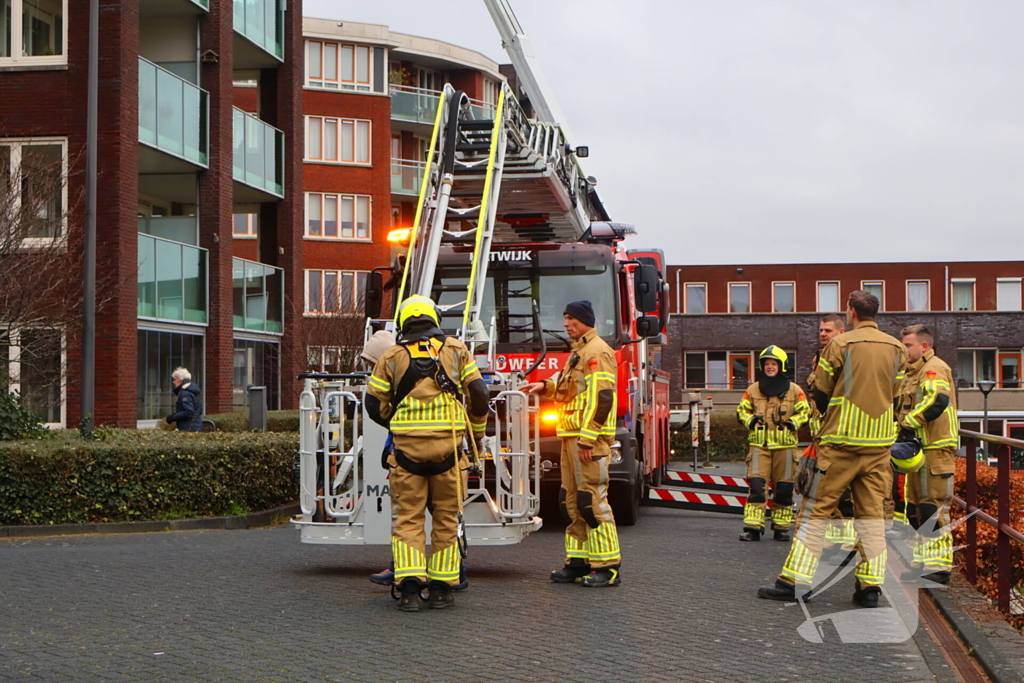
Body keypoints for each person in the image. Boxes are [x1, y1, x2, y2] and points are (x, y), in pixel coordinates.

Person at [758, 290, 906, 608]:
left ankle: (796, 582)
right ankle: (869, 589)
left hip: (840, 445)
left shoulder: (840, 344)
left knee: (815, 513)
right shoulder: (897, 348)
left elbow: (821, 395)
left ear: (851, 312)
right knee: (872, 518)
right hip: (879, 447)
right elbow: (898, 397)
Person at [365, 296, 489, 612]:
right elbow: (479, 393)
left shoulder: (391, 356)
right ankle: (440, 590)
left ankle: (408, 589)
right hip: (449, 454)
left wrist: (397, 422)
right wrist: (476, 433)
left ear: (404, 322)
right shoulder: (457, 350)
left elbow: (372, 405)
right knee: (447, 518)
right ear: (434, 318)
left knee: (408, 519)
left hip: (407, 456)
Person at [523, 300, 622, 588]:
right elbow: (570, 389)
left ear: (585, 320)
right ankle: (577, 563)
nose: (565, 324)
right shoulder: (578, 351)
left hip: (586, 441)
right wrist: (544, 387)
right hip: (571, 438)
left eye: (570, 319)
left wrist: (588, 438)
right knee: (570, 503)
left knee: (591, 502)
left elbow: (602, 399)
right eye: (565, 318)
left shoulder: (598, 352)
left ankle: (607, 567)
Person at [896, 324, 958, 585]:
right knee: (917, 510)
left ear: (924, 345)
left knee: (933, 507)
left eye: (908, 345)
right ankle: (924, 562)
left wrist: (908, 422)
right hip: (919, 450)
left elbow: (937, 401)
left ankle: (939, 567)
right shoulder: (912, 373)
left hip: (935, 448)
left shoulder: (934, 368)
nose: (904, 349)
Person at [737, 346, 810, 542]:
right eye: (767, 364)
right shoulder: (752, 390)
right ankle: (752, 527)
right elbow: (742, 411)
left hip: (785, 448)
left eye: (773, 364)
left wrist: (793, 423)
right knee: (757, 486)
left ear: (781, 366)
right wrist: (751, 420)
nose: (770, 367)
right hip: (760, 447)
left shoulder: (795, 390)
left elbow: (805, 412)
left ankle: (781, 527)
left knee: (784, 489)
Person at [810, 315, 857, 563]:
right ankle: (835, 542)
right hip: (825, 437)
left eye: (828, 330)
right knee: (829, 496)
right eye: (821, 330)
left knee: (842, 497)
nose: (823, 334)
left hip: (842, 436)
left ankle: (846, 545)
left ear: (841, 332)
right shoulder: (821, 358)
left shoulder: (847, 355)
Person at [166, 367, 203, 432]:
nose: (173, 382)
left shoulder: (185, 393)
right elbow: (199, 410)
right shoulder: (192, 391)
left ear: (180, 380)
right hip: (195, 426)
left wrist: (172, 417)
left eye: (175, 379)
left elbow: (189, 412)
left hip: (189, 428)